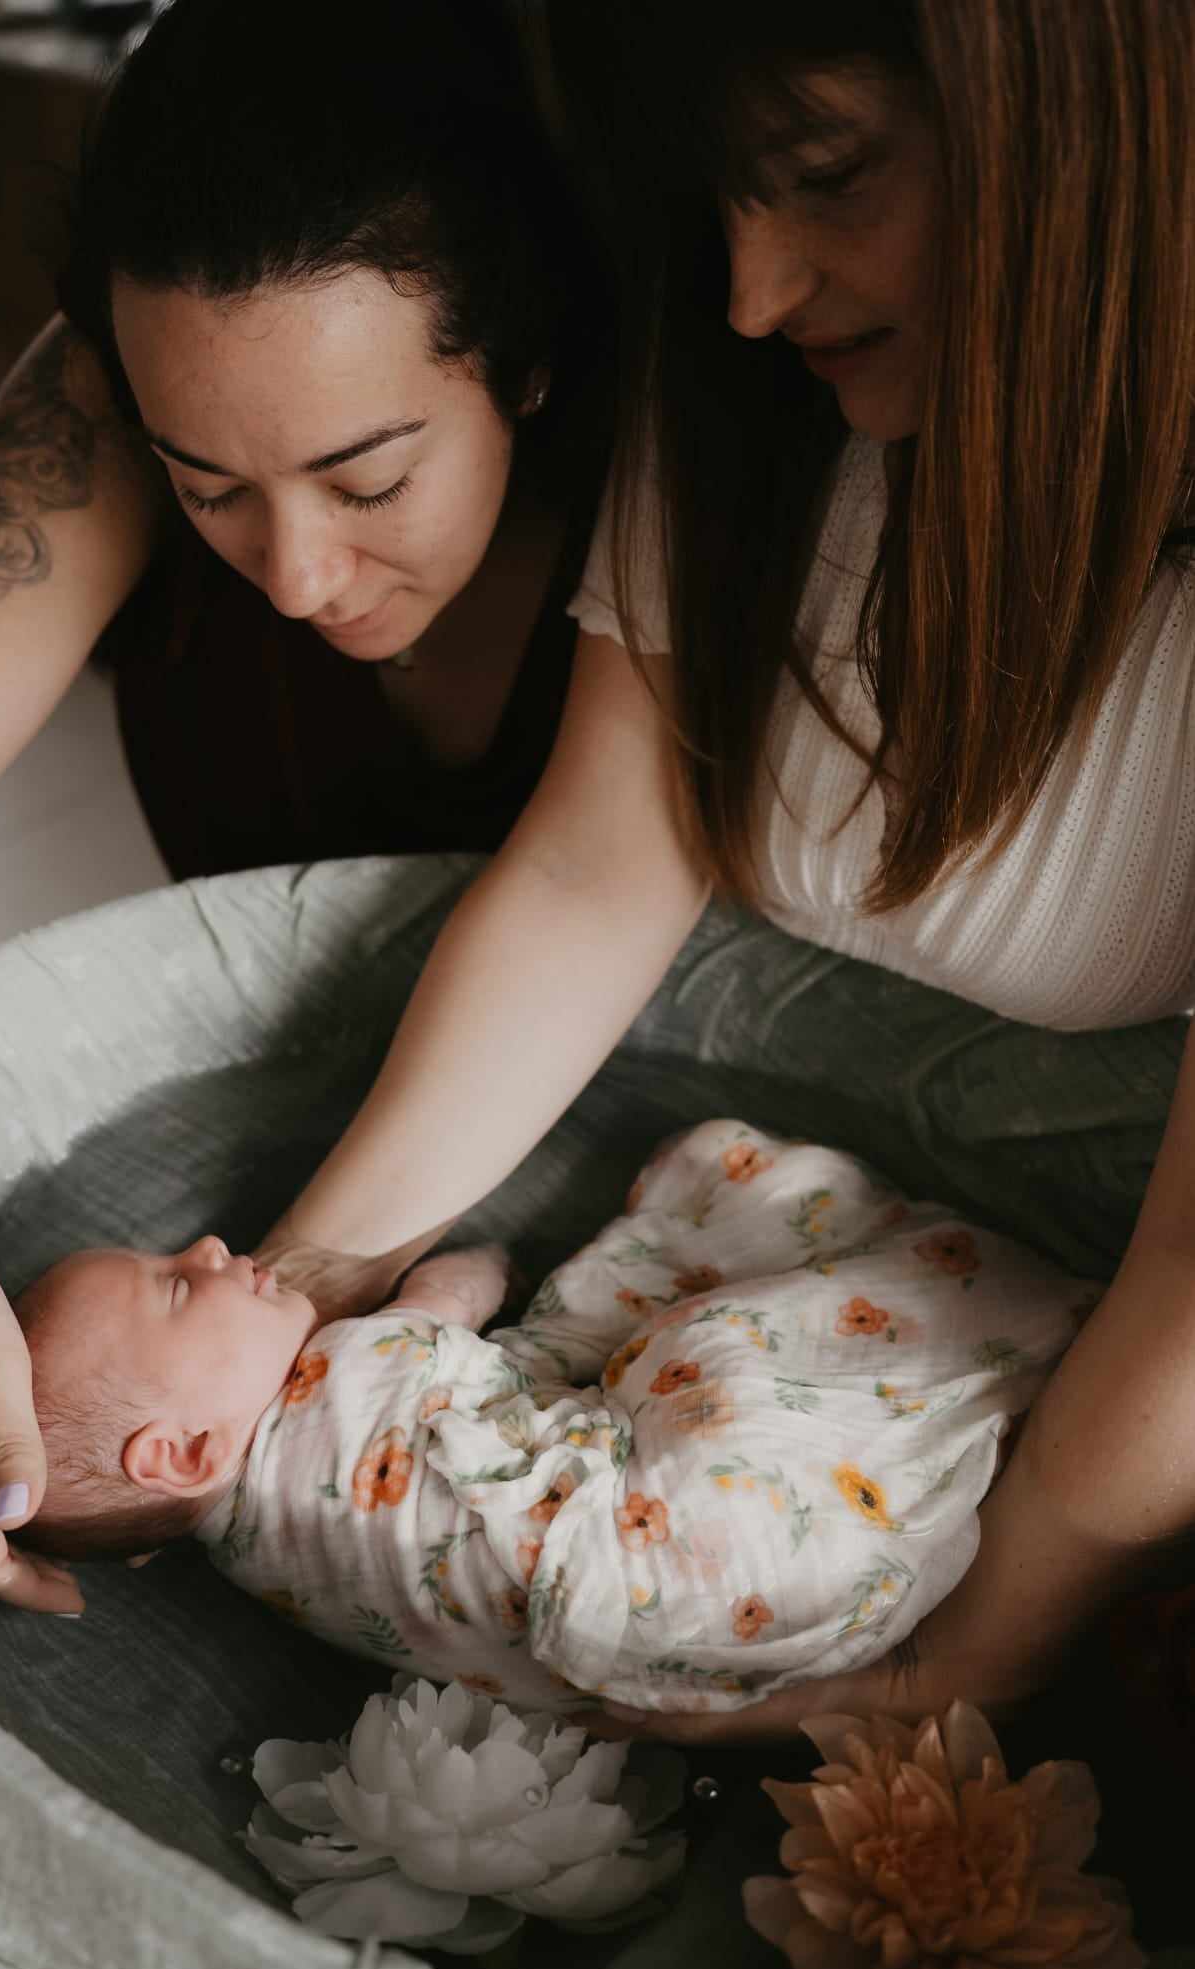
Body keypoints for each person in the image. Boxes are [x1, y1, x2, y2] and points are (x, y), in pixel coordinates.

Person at [253, 0, 1195, 1742]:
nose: (758, 290)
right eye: (715, 202)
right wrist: (284, 1304)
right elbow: (596, 871)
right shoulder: (750, 399)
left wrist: (961, 1661)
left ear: (1103, 128)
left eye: (828, 175)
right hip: (787, 1259)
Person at [0, 0, 606, 1613]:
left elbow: (593, 887)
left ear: (524, 364)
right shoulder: (139, 375)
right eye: (207, 493)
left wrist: (302, 1316)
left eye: (369, 480)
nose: (298, 576)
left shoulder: (682, 465)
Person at [17, 1122, 1085, 1716]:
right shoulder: (344, 1364)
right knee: (710, 1337)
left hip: (738, 1650)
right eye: (171, 1285)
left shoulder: (253, 1561)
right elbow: (452, 1304)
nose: (206, 1247)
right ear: (183, 1449)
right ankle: (1017, 1321)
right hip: (682, 1530)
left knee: (615, 1367)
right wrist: (475, 1265)